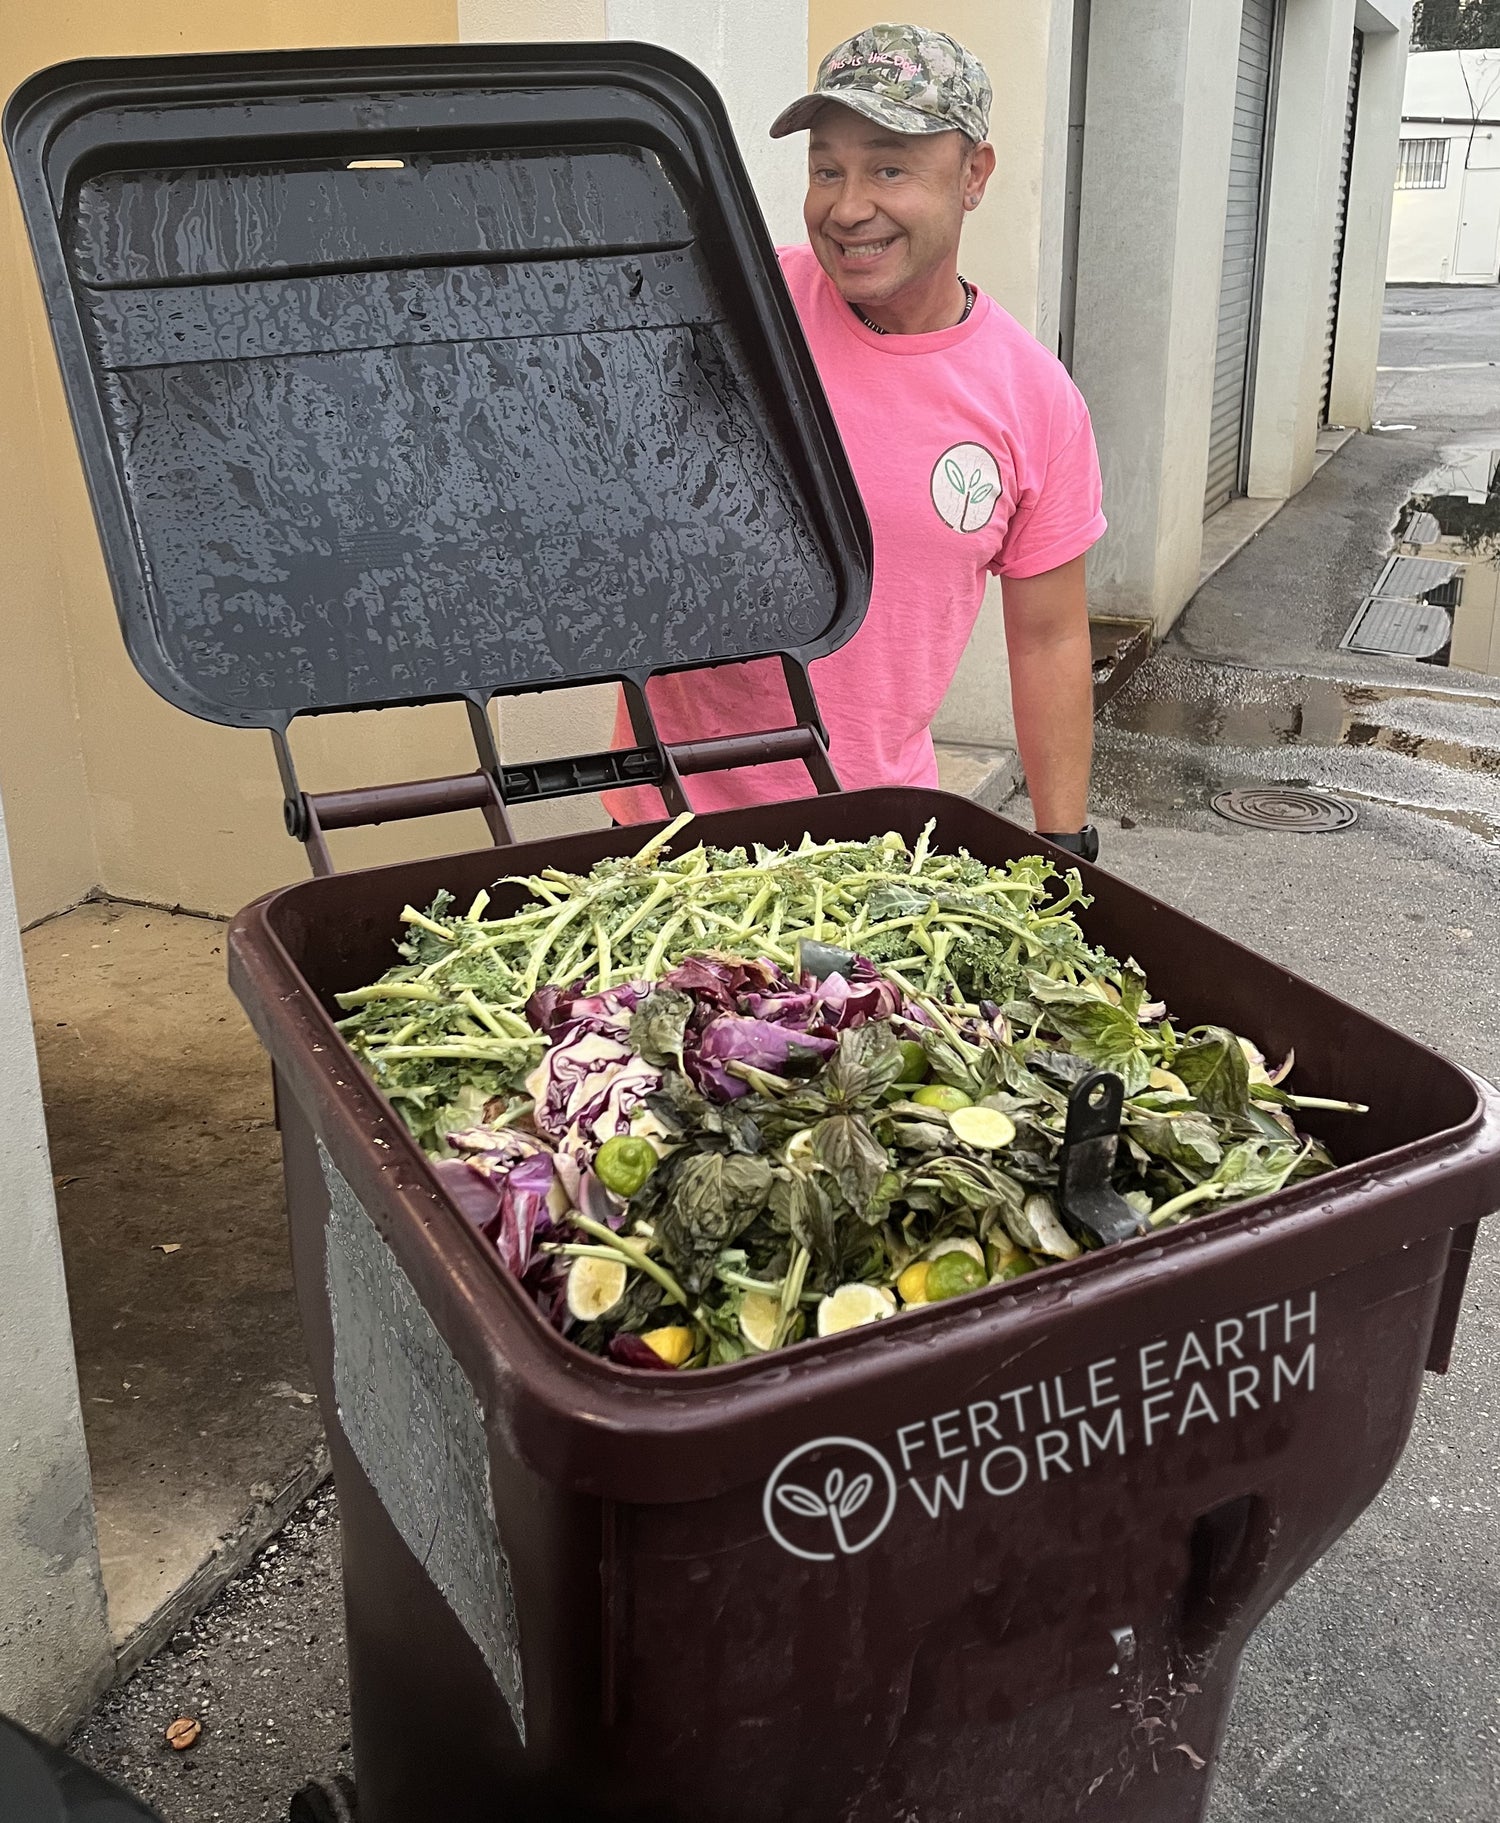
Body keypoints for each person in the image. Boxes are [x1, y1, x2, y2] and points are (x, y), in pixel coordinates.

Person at [604, 23, 1104, 862]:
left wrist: (1064, 842)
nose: (848, 206)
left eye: (889, 167)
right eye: (826, 168)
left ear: (973, 175)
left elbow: (1048, 636)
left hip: (869, 842)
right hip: (667, 823)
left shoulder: (1035, 400)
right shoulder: (736, 306)